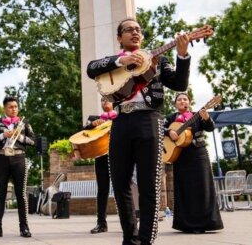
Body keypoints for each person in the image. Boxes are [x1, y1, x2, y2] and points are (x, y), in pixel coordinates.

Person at [87, 17, 191, 245]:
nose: (134, 32)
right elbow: (90, 68)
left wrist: (182, 55)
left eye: (138, 29)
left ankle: (145, 241)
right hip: (121, 120)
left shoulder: (158, 60)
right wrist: (122, 60)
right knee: (120, 183)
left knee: (149, 185)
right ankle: (129, 239)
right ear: (119, 37)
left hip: (149, 121)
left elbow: (179, 84)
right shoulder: (114, 60)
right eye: (128, 30)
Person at [164, 92, 223, 233]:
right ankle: (186, 224)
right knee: (184, 189)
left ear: (189, 102)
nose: (182, 101)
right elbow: (158, 127)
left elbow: (210, 128)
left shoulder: (197, 115)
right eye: (179, 99)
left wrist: (207, 118)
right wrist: (168, 132)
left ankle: (208, 223)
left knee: (203, 188)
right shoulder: (171, 117)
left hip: (198, 154)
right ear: (175, 103)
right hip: (180, 156)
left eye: (185, 99)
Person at [0, 96, 35, 239]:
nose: (14, 109)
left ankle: (24, 228)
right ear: (5, 108)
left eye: (16, 106)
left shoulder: (24, 123)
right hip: (1, 158)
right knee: (0, 194)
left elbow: (33, 141)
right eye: (11, 107)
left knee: (21, 194)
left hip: (19, 158)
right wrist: (2, 135)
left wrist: (19, 137)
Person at [82, 97, 116, 234]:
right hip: (101, 157)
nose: (105, 102)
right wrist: (92, 125)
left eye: (108, 100)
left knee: (124, 189)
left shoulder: (120, 117)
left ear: (114, 102)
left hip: (119, 156)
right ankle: (101, 223)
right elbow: (83, 131)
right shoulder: (94, 118)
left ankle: (129, 222)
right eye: (102, 100)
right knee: (102, 190)